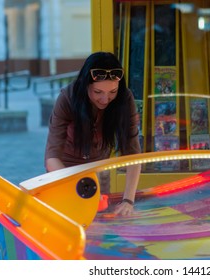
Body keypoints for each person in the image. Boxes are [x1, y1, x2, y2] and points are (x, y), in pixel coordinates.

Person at [45, 51, 141, 216]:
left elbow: (133, 154)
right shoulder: (68, 98)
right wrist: (80, 187)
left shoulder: (124, 99)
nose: (105, 99)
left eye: (112, 92)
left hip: (98, 172)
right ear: (85, 85)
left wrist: (128, 200)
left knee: (100, 225)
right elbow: (51, 157)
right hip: (63, 173)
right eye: (98, 92)